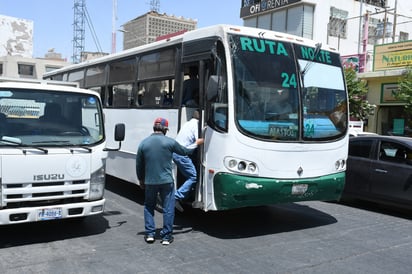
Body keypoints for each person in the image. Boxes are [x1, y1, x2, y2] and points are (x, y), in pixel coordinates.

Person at [135, 117, 202, 245]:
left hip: (150, 182)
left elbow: (139, 165)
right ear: (165, 129)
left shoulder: (143, 143)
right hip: (166, 182)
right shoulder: (170, 142)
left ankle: (150, 234)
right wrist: (197, 143)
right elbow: (185, 151)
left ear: (154, 128)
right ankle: (166, 237)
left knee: (149, 206)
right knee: (168, 208)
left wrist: (141, 180)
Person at [173, 110, 202, 212]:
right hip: (182, 154)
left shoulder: (187, 123)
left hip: (176, 152)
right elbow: (199, 140)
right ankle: (176, 197)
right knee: (193, 176)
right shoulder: (196, 125)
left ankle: (185, 196)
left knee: (188, 175)